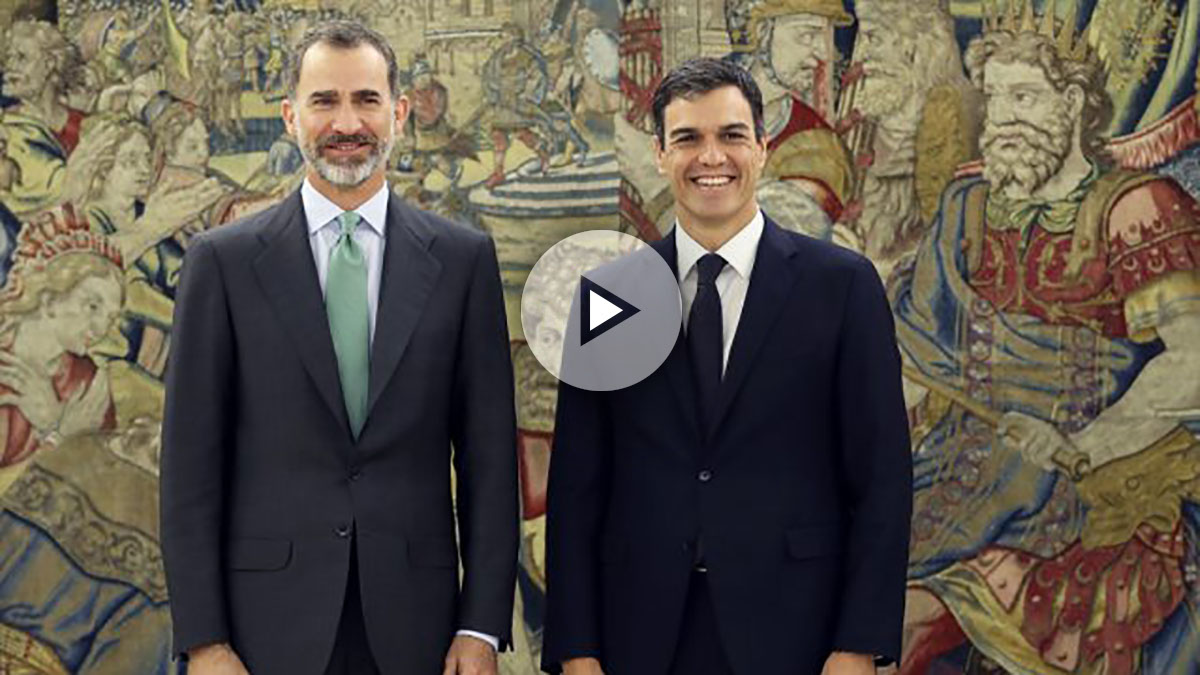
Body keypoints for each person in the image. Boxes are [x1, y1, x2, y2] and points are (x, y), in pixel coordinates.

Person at [159, 20, 519, 675]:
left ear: (399, 114)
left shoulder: (464, 261)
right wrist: (205, 640)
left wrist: (481, 625)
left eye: (367, 99)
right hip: (263, 629)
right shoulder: (223, 263)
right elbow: (189, 468)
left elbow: (490, 458)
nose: (346, 121)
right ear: (291, 117)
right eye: (325, 101)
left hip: (422, 630)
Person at [542, 57, 912, 675]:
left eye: (731, 136)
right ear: (660, 153)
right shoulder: (610, 295)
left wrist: (859, 645)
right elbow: (578, 487)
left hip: (799, 632)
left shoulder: (842, 287)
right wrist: (577, 651)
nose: (711, 156)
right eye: (688, 138)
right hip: (641, 634)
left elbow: (882, 480)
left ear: (762, 148)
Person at [892, 8, 1200, 673]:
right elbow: (915, 356)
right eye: (995, 96)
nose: (1001, 117)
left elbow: (1193, 362)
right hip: (957, 469)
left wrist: (1084, 445)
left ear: (1072, 102)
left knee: (907, 622)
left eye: (1023, 96)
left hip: (1086, 485)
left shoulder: (1136, 207)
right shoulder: (966, 205)